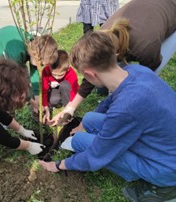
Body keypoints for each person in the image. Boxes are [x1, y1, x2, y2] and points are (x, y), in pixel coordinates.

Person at [39, 31, 176, 201]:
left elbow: (95, 157)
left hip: (167, 168)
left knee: (80, 142)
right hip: (162, 143)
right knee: (89, 118)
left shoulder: (127, 107)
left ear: (90, 74)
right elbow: (111, 100)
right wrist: (85, 124)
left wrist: (59, 165)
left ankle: (164, 189)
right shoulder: (136, 71)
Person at [51, 0, 176, 126]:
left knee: (142, 81)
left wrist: (121, 102)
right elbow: (92, 70)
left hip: (170, 9)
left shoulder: (145, 47)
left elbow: (148, 75)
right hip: (143, 8)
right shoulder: (101, 36)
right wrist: (71, 107)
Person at [0, 26, 58, 116]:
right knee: (6, 83)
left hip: (17, 50)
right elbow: (16, 80)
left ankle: (31, 103)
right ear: (35, 54)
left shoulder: (35, 48)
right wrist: (30, 101)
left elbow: (35, 74)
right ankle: (7, 113)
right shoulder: (15, 54)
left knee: (25, 75)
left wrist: (37, 98)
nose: (42, 66)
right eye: (42, 64)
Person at [42, 50, 79, 124]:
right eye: (54, 74)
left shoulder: (72, 74)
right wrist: (45, 107)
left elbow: (74, 95)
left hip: (66, 89)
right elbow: (44, 90)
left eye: (60, 75)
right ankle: (57, 102)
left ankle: (68, 112)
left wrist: (66, 111)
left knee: (64, 84)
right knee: (53, 101)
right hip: (55, 88)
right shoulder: (46, 71)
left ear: (67, 69)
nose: (57, 77)